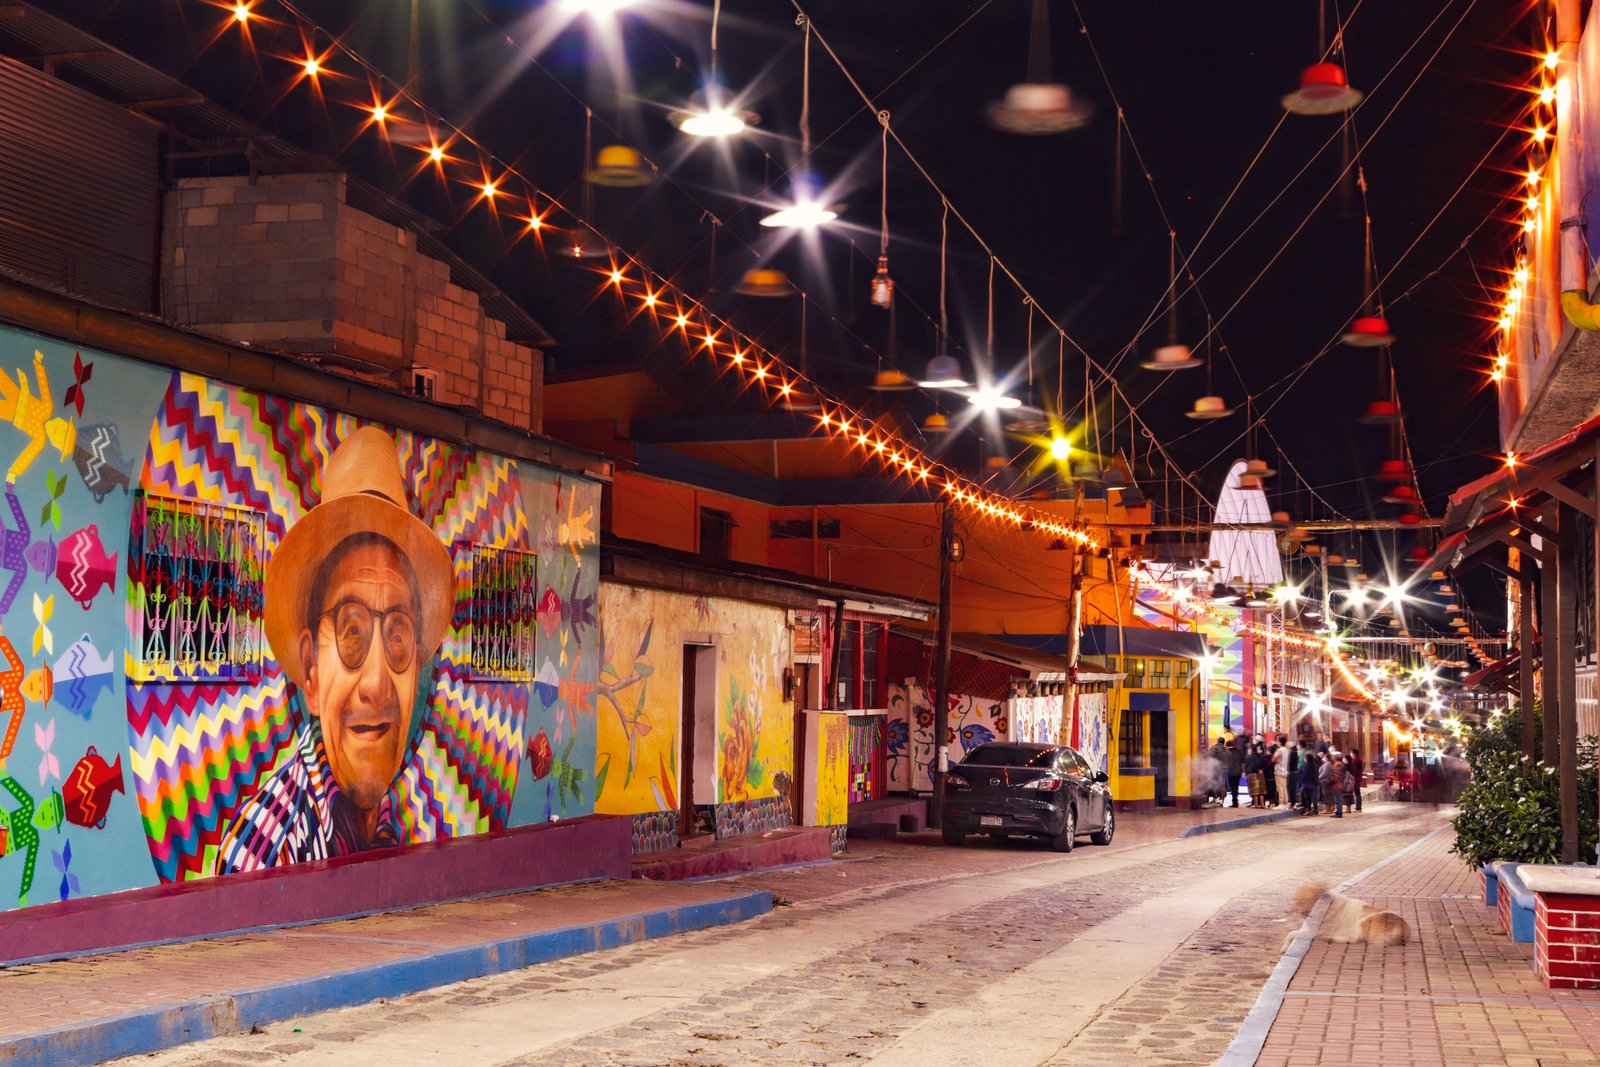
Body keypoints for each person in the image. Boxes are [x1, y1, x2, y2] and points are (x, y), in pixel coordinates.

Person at [215, 427, 454, 873]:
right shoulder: (266, 852)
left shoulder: (389, 824)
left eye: (398, 635)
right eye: (352, 633)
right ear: (310, 670)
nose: (378, 683)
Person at [1320, 751, 1343, 818]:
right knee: (1337, 799)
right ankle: (1338, 812)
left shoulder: (1337, 766)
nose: (1332, 757)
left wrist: (1329, 779)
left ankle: (1339, 813)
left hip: (1336, 785)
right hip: (1336, 785)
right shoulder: (1336, 765)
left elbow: (1335, 777)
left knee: (1338, 799)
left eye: (1333, 757)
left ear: (1336, 758)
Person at [1300, 747, 1321, 815]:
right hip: (1313, 783)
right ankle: (1314, 809)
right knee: (1313, 797)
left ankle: (1308, 810)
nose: (1304, 759)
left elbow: (1304, 775)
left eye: (1305, 758)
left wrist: (1302, 781)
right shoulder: (1313, 765)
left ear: (1307, 759)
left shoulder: (1307, 766)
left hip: (1307, 784)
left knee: (1307, 798)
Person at [1225, 737, 1244, 808]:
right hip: (1238, 772)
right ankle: (1235, 801)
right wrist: (1242, 771)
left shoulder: (1227, 753)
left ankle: (1235, 802)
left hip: (1231, 772)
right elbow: (1242, 762)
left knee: (1233, 787)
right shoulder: (1239, 751)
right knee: (1236, 786)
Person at [1245, 743, 1265, 808]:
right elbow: (1264, 764)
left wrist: (1257, 770)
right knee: (1261, 790)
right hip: (1261, 774)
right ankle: (1262, 804)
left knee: (1255, 790)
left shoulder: (1250, 757)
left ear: (1251, 749)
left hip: (1252, 774)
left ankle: (1256, 804)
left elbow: (1252, 765)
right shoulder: (1261, 756)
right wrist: (1261, 770)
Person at [1273, 736, 1290, 811]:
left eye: (1277, 741)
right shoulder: (1286, 750)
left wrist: (1277, 762)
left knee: (1280, 788)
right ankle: (1285, 803)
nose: (1277, 742)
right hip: (1285, 770)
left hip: (1279, 770)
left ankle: (1281, 803)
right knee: (1284, 787)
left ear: (1280, 742)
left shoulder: (1279, 750)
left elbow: (1273, 759)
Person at [1346, 748, 1365, 812]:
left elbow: (1354, 771)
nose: (1350, 754)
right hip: (1357, 779)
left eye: (1351, 753)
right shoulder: (1358, 760)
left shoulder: (1356, 761)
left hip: (1355, 779)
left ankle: (1358, 808)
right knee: (1357, 793)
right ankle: (1358, 807)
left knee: (1357, 793)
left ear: (1354, 754)